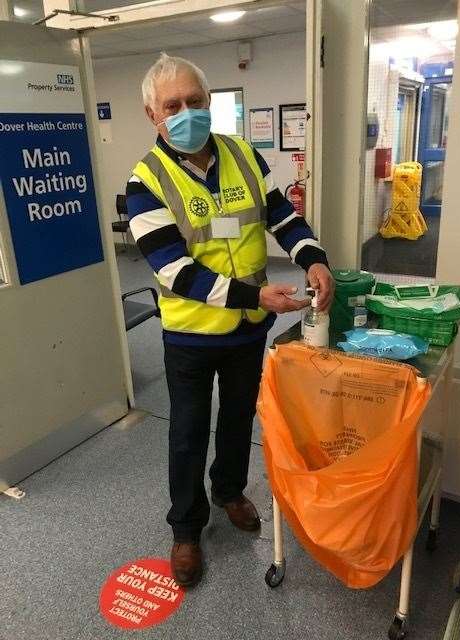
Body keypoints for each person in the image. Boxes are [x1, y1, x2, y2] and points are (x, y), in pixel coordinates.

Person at [126, 52, 334, 587]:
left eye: (196, 101)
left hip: (246, 332)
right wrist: (256, 296)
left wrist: (312, 257)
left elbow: (282, 216)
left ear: (209, 102)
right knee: (190, 433)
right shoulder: (145, 181)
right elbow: (176, 271)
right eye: (173, 105)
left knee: (240, 418)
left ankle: (228, 490)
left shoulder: (243, 154)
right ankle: (187, 528)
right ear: (153, 113)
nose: (186, 111)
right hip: (191, 336)